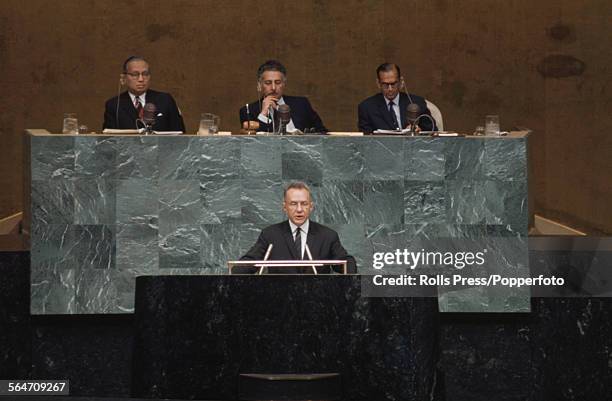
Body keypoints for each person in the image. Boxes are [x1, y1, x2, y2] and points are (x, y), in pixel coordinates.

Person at [238, 182, 356, 274]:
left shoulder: (328, 235)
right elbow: (248, 263)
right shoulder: (270, 235)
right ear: (285, 207)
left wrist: (351, 277)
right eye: (293, 204)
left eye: (304, 204)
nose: (299, 209)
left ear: (311, 206)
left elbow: (346, 262)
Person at [239, 60, 327, 133]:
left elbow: (322, 132)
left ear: (284, 84)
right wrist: (263, 113)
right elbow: (253, 142)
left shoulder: (302, 104)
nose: (273, 88)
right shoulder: (248, 111)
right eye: (268, 83)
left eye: (278, 82)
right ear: (259, 85)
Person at [103, 56, 186, 132]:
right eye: (135, 74)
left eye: (145, 74)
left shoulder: (165, 100)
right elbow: (109, 139)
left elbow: (179, 133)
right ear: (124, 78)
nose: (141, 79)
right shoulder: (114, 105)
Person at [358, 63, 436, 133]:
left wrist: (419, 131)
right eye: (385, 85)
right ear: (378, 84)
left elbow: (433, 132)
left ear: (401, 82)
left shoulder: (416, 102)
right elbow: (365, 140)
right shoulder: (367, 107)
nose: (390, 89)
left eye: (393, 84)